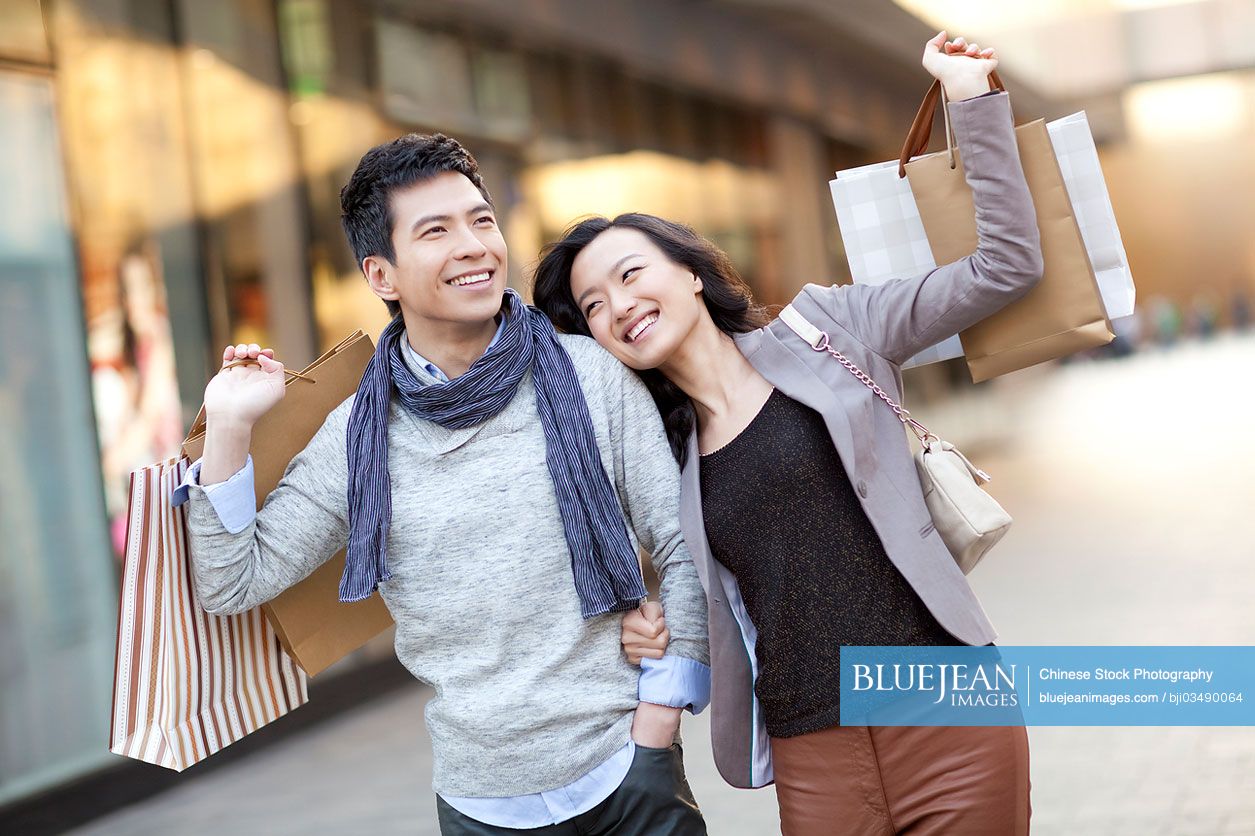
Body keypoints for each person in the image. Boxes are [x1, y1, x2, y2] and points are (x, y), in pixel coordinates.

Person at [532, 32, 1039, 836]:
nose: (617, 305)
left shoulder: (826, 330)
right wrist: (643, 618)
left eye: (629, 274)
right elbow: (658, 583)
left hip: (946, 711)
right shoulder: (658, 452)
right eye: (591, 306)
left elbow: (1006, 267)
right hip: (812, 748)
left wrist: (969, 96)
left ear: (689, 272)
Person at [172, 133, 711, 835]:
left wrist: (656, 729)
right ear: (381, 275)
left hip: (628, 774)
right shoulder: (357, 436)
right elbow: (229, 581)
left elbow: (682, 543)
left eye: (480, 220)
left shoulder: (588, 374)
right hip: (480, 803)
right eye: (435, 231)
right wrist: (231, 427)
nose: (473, 246)